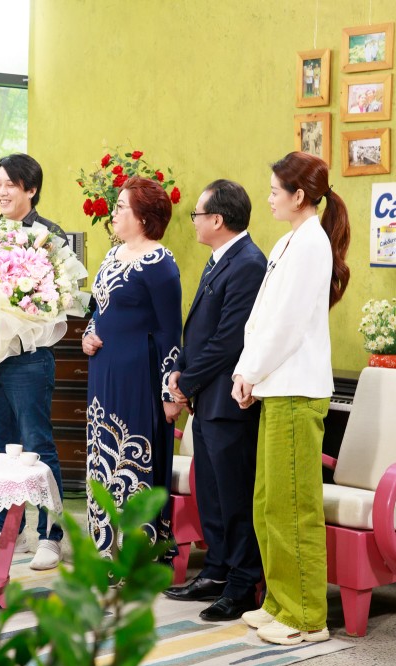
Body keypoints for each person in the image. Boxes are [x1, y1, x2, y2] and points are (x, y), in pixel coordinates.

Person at [231, 151, 351, 645]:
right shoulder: (288, 241)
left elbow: (287, 325)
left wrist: (251, 371)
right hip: (276, 388)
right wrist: (246, 372)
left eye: (275, 191)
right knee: (268, 503)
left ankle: (306, 617)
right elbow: (262, 318)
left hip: (297, 392)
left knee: (292, 509)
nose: (268, 199)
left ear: (299, 196)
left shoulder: (311, 245)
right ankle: (279, 602)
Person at [162, 180, 266, 622]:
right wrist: (181, 371)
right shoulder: (220, 258)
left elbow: (228, 340)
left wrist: (186, 383)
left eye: (198, 215)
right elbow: (199, 330)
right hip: (208, 399)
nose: (194, 222)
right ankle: (217, 570)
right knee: (212, 494)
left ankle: (243, 584)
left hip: (229, 401)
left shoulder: (249, 263)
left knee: (234, 497)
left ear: (218, 219)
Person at [0, 153, 67, 571]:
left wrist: (10, 316)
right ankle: (8, 531)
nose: (2, 191)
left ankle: (50, 536)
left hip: (27, 360)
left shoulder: (50, 237)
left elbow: (56, 304)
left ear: (31, 189)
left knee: (37, 447)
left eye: (10, 184)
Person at [81, 176, 182, 562]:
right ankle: (105, 550)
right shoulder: (112, 255)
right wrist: (88, 335)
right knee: (101, 457)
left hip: (138, 377)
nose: (114, 213)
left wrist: (169, 393)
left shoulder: (160, 263)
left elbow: (171, 331)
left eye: (121, 207)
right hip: (103, 374)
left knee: (131, 457)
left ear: (143, 217)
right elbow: (99, 310)